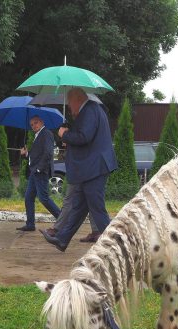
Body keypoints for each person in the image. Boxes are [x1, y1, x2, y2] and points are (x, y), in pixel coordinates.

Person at [40, 87, 117, 251]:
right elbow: (85, 135)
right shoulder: (91, 110)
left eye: (69, 104)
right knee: (79, 208)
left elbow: (84, 137)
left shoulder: (89, 110)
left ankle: (114, 246)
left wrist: (64, 134)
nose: (69, 107)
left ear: (77, 99)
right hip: (90, 169)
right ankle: (62, 239)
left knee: (97, 207)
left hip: (94, 168)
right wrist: (70, 131)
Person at [16, 116, 61, 231]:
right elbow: (35, 155)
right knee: (28, 197)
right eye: (31, 125)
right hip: (34, 172)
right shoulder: (38, 135)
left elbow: (48, 153)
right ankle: (30, 224)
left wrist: (39, 169)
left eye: (35, 123)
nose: (33, 126)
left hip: (40, 171)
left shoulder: (46, 133)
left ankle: (62, 220)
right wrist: (26, 154)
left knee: (44, 198)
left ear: (42, 122)